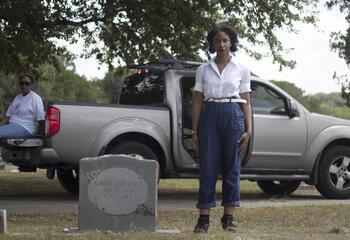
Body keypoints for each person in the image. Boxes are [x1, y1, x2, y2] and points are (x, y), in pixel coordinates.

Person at [192, 25, 252, 233]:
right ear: (212, 44)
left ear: (231, 43)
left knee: (231, 168)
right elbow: (198, 101)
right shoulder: (203, 69)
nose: (222, 45)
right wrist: (195, 131)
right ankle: (203, 220)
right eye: (217, 41)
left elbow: (246, 101)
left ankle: (228, 218)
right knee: (207, 167)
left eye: (225, 41)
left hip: (233, 115)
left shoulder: (241, 68)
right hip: (210, 114)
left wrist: (249, 130)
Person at [0, 74, 45, 139]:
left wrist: (41, 138)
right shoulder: (17, 97)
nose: (24, 86)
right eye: (21, 83)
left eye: (27, 83)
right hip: (13, 125)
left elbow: (41, 120)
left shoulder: (36, 98)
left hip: (26, 127)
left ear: (31, 85)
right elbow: (8, 116)